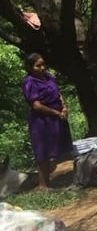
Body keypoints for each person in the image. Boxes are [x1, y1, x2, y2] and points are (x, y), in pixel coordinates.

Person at [21, 53, 73, 190]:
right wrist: (56, 113)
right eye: (38, 66)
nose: (42, 67)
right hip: (41, 121)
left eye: (43, 64)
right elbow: (36, 105)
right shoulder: (29, 82)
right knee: (42, 151)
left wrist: (64, 107)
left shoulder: (49, 77)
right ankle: (43, 184)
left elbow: (58, 93)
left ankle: (54, 180)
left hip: (56, 119)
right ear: (29, 67)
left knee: (56, 149)